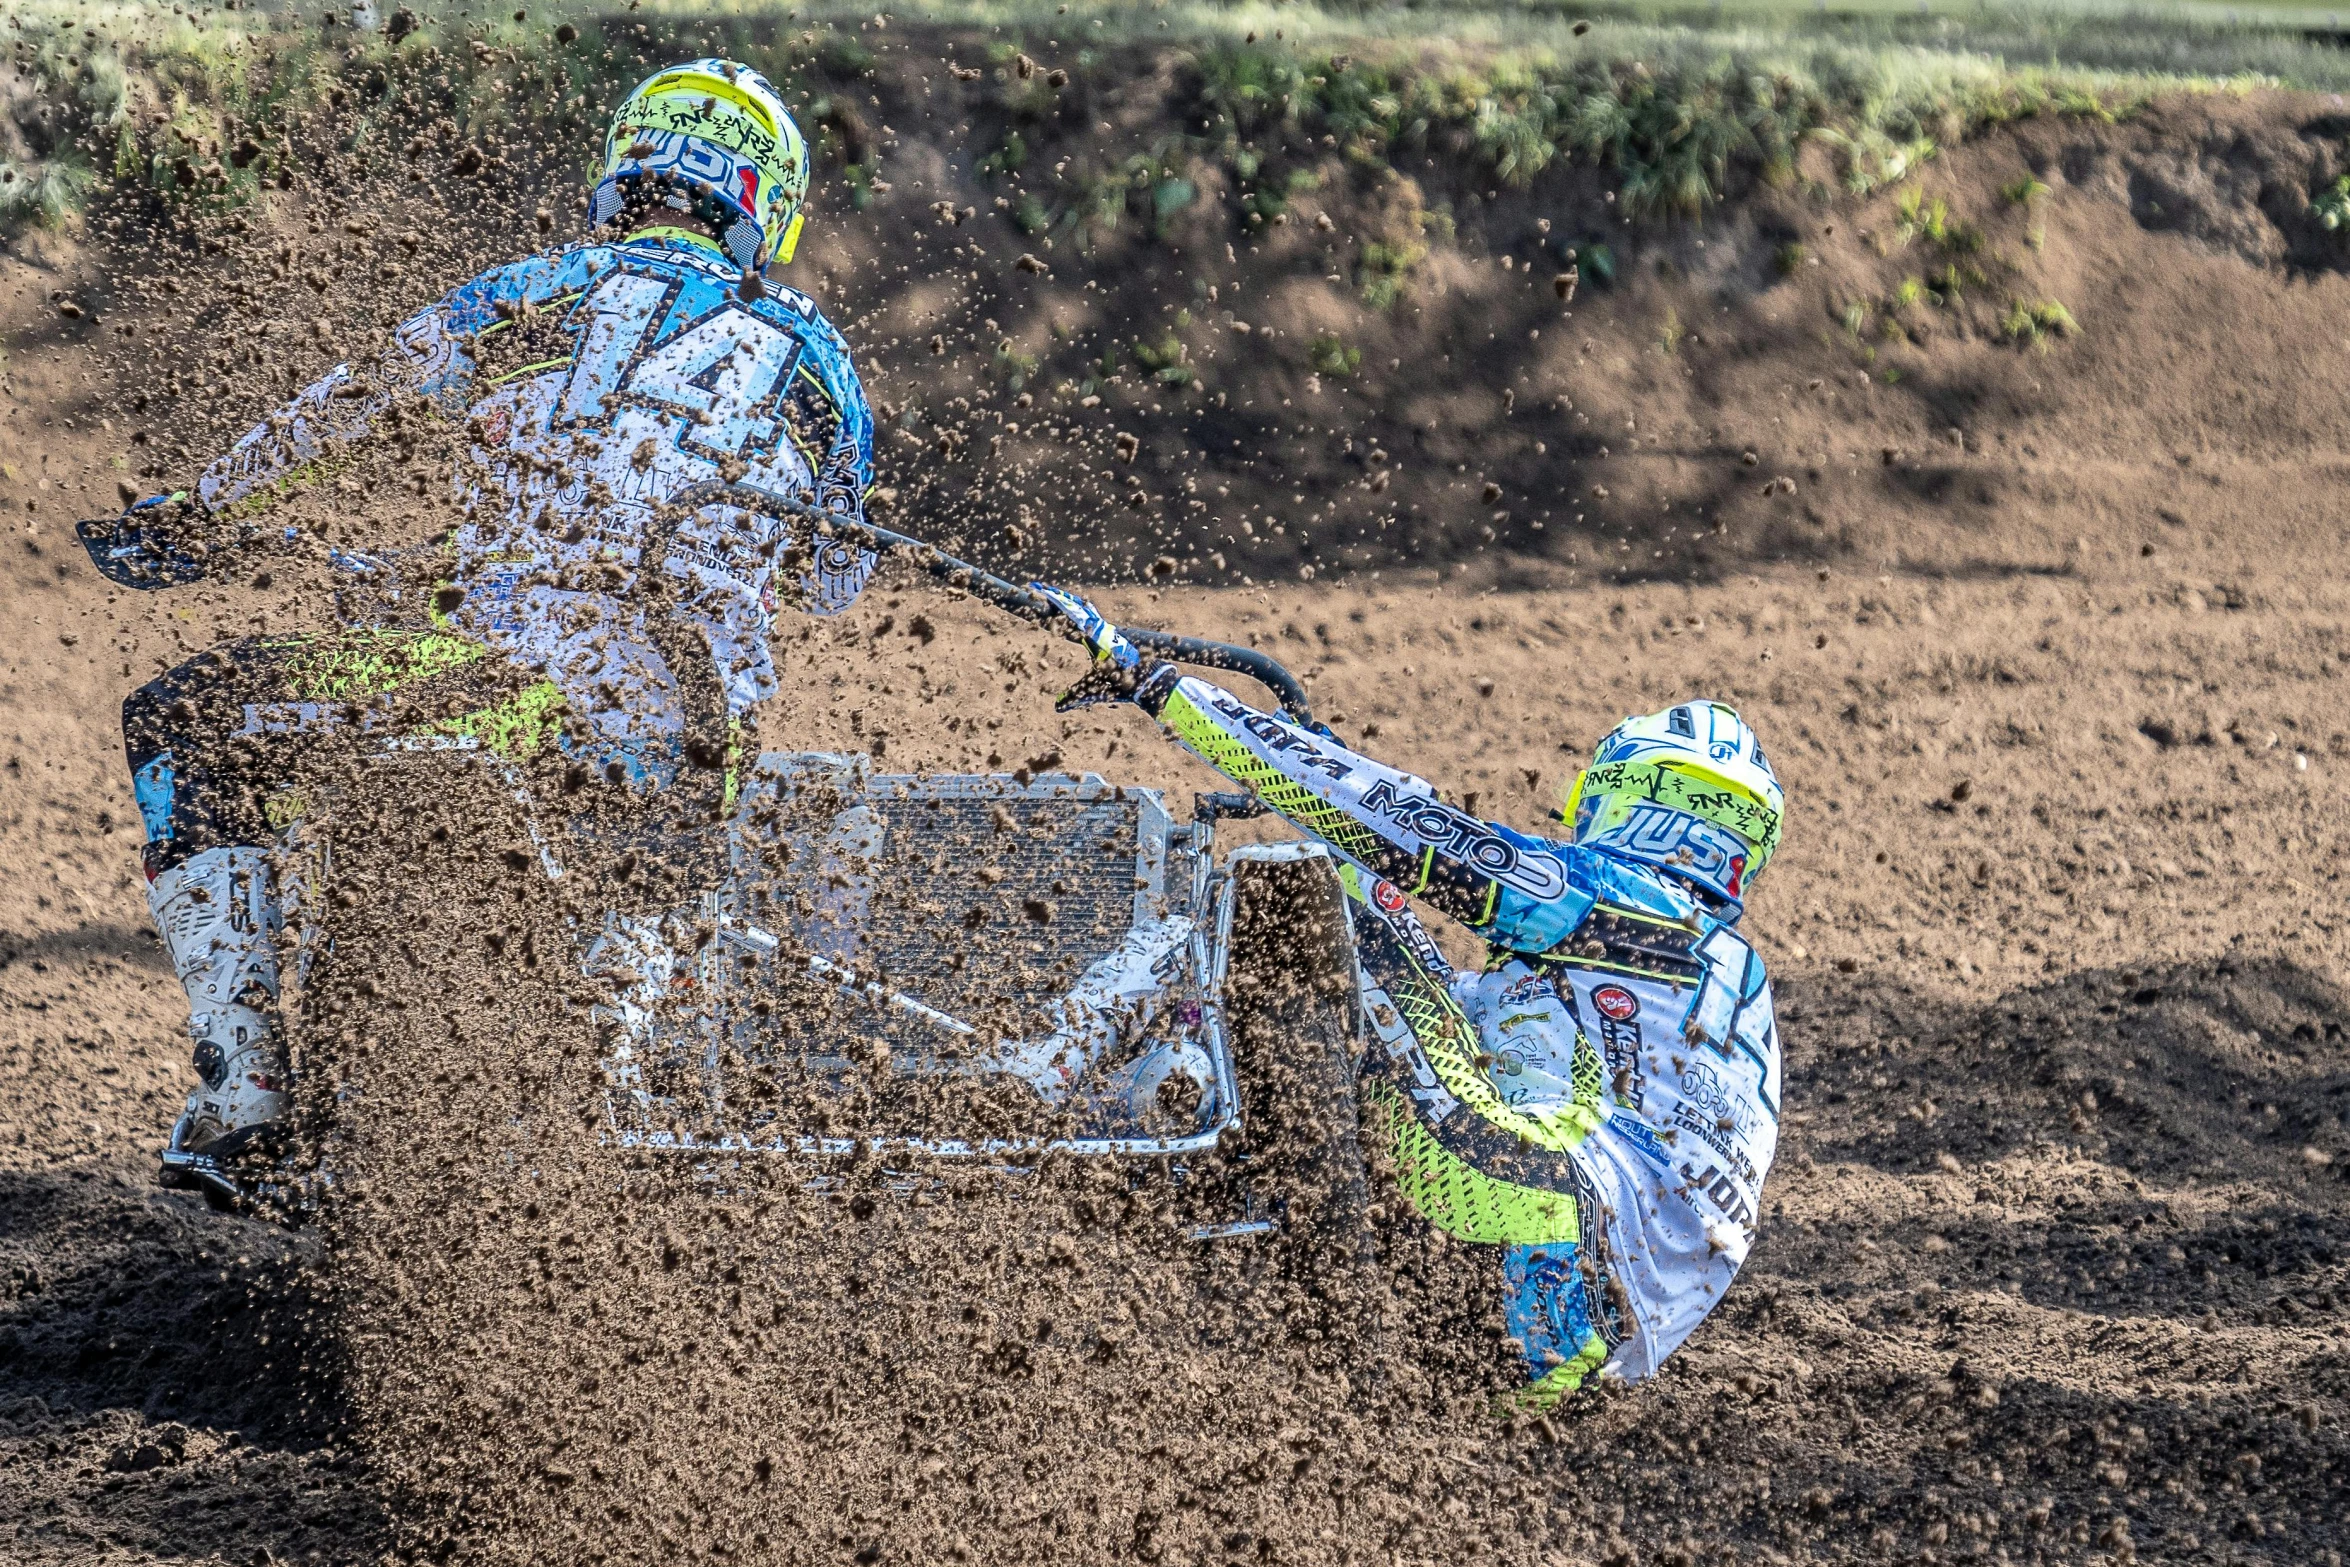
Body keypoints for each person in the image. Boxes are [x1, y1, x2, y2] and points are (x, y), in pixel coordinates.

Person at [80, 60, 879, 1197]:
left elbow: (343, 410)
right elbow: (833, 584)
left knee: (182, 717)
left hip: (501, 684)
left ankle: (241, 1094)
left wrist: (206, 509)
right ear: (766, 209)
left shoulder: (533, 288)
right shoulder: (824, 366)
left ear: (625, 170)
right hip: (699, 751)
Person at [1030, 585, 1786, 1410]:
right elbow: (1472, 1025)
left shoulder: (1625, 901)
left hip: (1534, 1211)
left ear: (1630, 796)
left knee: (1321, 892)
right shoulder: (1714, 973)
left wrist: (1162, 686)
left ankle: (1034, 1080)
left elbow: (1408, 830)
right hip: (1582, 1334)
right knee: (1420, 975)